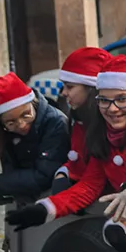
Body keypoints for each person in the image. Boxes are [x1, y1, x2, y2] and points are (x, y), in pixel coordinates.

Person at [4, 56, 126, 252]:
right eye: (104, 100)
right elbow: (89, 185)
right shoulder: (101, 133)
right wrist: (45, 209)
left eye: (122, 99)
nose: (112, 109)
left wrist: (121, 222)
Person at [0, 73, 69, 205]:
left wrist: (1, 184)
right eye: (11, 123)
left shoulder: (55, 123)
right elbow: (10, 166)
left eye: (26, 115)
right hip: (21, 196)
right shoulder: (4, 131)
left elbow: (45, 175)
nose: (22, 125)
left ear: (33, 103)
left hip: (50, 199)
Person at [52, 47, 110, 186]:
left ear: (91, 88)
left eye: (70, 87)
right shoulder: (78, 118)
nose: (64, 93)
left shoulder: (110, 124)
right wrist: (64, 172)